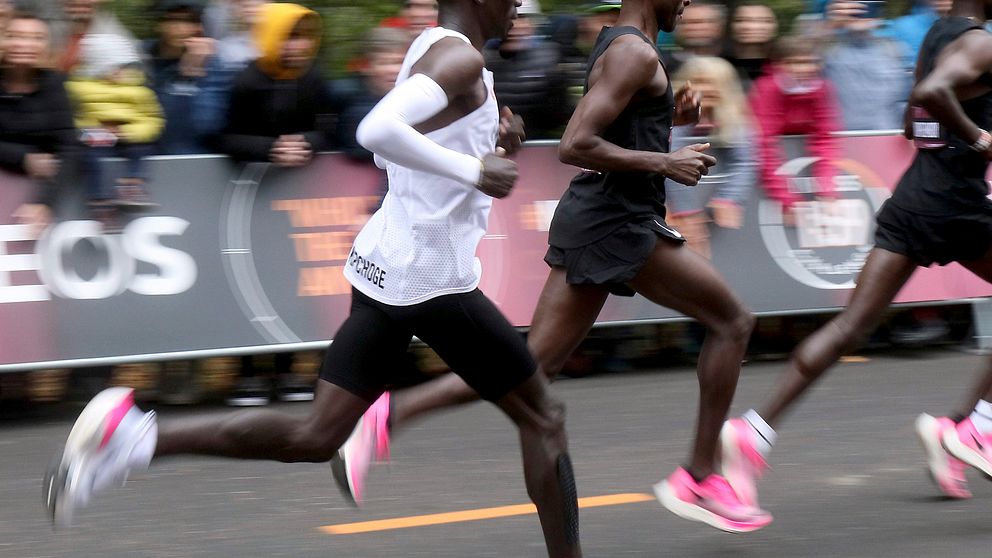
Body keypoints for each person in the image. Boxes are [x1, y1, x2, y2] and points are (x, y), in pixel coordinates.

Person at [45, 2, 585, 557]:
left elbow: (418, 152)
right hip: (432, 278)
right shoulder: (459, 57)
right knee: (544, 416)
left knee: (317, 436)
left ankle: (131, 436)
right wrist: (476, 168)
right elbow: (375, 129)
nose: (520, 3)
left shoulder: (435, 45)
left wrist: (494, 151)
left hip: (386, 267)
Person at [334, 0, 773, 534]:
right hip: (616, 225)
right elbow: (575, 144)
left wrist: (664, 122)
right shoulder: (633, 51)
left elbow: (612, 124)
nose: (688, 3)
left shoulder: (624, 43)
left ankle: (386, 416)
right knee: (733, 321)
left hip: (608, 222)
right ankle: (701, 476)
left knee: (530, 371)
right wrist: (664, 161)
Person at [718, 0, 992, 510]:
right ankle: (976, 428)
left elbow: (914, 113)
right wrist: (979, 139)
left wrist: (944, 135)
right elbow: (934, 93)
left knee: (851, 326)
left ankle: (754, 431)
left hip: (913, 197)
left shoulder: (937, 33)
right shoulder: (981, 42)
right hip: (954, 205)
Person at [216, 2, 338, 405]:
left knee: (286, 284)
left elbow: (330, 128)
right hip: (247, 200)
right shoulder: (244, 82)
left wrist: (309, 144)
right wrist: (271, 148)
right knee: (247, 283)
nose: (296, 45)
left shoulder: (314, 79)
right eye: (288, 36)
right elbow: (225, 139)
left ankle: (288, 371)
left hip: (294, 202)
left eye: (303, 36)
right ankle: (247, 373)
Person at [66, 32, 164, 228]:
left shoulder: (139, 91)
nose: (120, 71)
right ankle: (100, 201)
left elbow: (153, 119)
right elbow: (70, 117)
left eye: (124, 66)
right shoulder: (77, 88)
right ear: (98, 65)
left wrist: (130, 132)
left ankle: (132, 185)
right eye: (114, 66)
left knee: (141, 150)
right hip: (93, 135)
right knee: (93, 159)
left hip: (129, 136)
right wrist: (88, 130)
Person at [666, 56, 756, 260]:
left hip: (707, 214)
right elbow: (671, 162)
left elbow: (745, 160)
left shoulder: (734, 118)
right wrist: (686, 212)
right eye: (698, 81)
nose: (706, 89)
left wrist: (729, 198)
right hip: (670, 206)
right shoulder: (674, 115)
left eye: (714, 83)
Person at [0, 10, 77, 234]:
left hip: (36, 194)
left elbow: (70, 147)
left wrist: (45, 203)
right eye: (16, 36)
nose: (26, 44)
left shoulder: (55, 85)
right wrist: (23, 157)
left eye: (36, 38)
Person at [749, 35, 841, 214]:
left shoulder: (823, 88)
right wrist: (786, 199)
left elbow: (826, 139)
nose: (807, 68)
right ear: (779, 65)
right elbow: (764, 145)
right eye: (797, 62)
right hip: (772, 169)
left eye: (811, 62)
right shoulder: (766, 88)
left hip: (800, 163)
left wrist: (827, 190)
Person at [144, 0, 230, 155]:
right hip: (147, 160)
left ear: (199, 27)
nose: (180, 28)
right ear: (159, 23)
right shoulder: (142, 57)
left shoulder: (211, 62)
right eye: (172, 19)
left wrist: (190, 74)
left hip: (195, 161)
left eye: (189, 20)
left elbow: (207, 124)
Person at [484, 0, 568, 139]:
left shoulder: (550, 57)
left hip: (538, 145)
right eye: (512, 18)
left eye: (523, 19)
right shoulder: (484, 59)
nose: (516, 25)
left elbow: (558, 115)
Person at [822, 0, 910, 131]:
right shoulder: (828, 50)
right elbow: (800, 54)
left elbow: (906, 99)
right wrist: (830, 26)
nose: (861, 14)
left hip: (886, 135)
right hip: (839, 139)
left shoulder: (895, 50)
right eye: (855, 10)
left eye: (869, 8)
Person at [721, 1, 778, 87]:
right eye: (741, 20)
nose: (751, 27)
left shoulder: (784, 65)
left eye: (763, 20)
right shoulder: (719, 65)